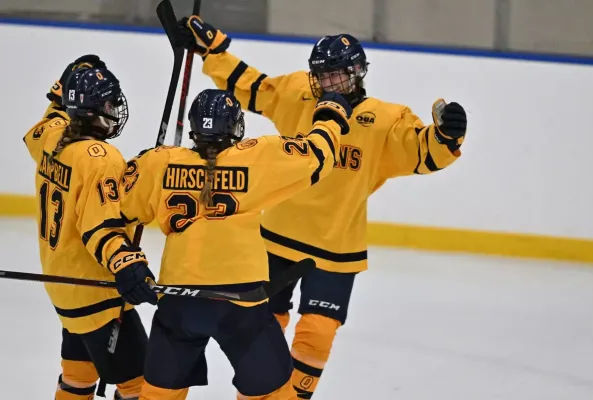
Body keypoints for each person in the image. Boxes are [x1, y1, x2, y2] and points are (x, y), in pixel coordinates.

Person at [180, 16, 469, 398]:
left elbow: (422, 152)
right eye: (322, 75)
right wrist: (216, 53)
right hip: (276, 237)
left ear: (358, 72)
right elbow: (255, 89)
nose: (328, 84)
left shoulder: (384, 119)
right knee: (264, 322)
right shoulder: (298, 92)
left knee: (317, 333)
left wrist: (447, 135)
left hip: (336, 247)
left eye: (337, 75)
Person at [118, 88, 349, 399]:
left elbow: (117, 212)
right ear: (235, 126)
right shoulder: (257, 156)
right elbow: (318, 157)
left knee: (158, 395)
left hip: (179, 300)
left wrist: (127, 263)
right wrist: (330, 117)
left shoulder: (159, 161)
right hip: (241, 303)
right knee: (274, 394)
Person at [23, 55, 157, 400]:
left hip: (63, 286)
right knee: (140, 385)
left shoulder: (51, 139)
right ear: (98, 109)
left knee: (78, 375)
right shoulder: (101, 158)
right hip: (95, 290)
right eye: (111, 102)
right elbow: (101, 226)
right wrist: (127, 264)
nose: (115, 108)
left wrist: (61, 90)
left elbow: (50, 118)